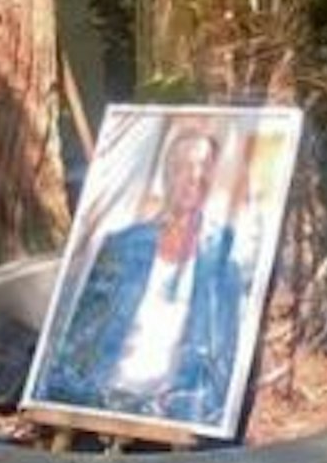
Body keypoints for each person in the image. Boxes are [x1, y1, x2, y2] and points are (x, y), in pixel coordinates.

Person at [44, 129, 243, 429]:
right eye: (183, 167)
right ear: (166, 176)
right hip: (100, 398)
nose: (195, 176)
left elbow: (225, 357)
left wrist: (193, 408)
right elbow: (79, 337)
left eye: (203, 166)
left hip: (175, 411)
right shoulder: (122, 245)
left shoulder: (223, 259)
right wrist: (68, 396)